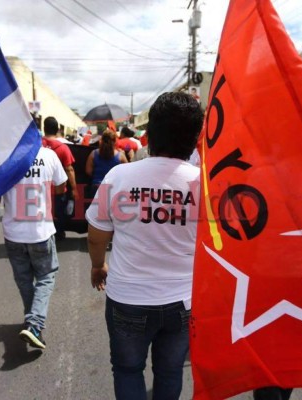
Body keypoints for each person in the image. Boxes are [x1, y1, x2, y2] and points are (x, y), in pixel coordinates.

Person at [86, 92, 203, 399]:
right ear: (195, 137)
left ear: (150, 134)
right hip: (184, 301)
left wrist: (98, 266)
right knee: (170, 370)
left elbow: (97, 234)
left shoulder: (120, 176)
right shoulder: (205, 185)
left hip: (128, 298)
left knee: (127, 370)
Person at [2, 142, 68, 349]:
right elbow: (61, 186)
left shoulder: (4, 155)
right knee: (46, 277)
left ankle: (31, 321)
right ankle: (35, 325)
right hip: (40, 230)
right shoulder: (48, 155)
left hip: (13, 233)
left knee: (24, 280)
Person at [42, 116, 77, 240]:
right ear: (57, 130)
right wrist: (74, 189)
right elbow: (69, 169)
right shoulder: (62, 148)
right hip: (58, 189)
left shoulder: (36, 145)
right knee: (59, 212)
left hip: (38, 187)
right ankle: (59, 232)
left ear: (44, 128)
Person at [85, 128, 128, 197]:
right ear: (114, 141)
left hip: (96, 187)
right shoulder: (120, 156)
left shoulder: (93, 153)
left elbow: (88, 171)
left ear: (101, 140)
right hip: (114, 187)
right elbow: (126, 172)